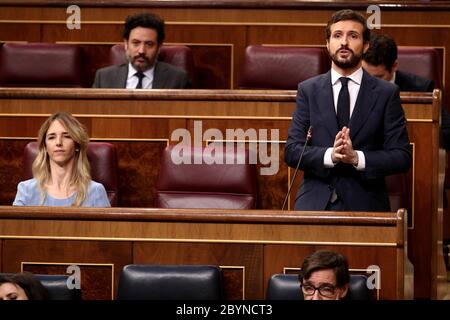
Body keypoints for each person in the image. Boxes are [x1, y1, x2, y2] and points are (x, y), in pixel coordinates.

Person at [285, 9, 411, 211]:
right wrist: (330, 155)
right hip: (315, 202)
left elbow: (401, 157)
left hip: (366, 201)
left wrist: (356, 158)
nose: (344, 42)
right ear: (327, 44)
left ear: (366, 45)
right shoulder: (308, 90)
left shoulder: (386, 93)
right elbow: (292, 151)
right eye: (337, 35)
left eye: (353, 36)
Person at [362, 33, 450, 150]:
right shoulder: (352, 85)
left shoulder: (421, 89)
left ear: (394, 66)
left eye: (378, 77)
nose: (370, 83)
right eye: (365, 75)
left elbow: (447, 133)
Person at [13, 111, 111, 207]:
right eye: (52, 137)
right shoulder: (26, 190)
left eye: (66, 136)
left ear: (77, 145)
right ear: (45, 147)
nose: (58, 142)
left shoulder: (96, 191)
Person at [93, 12, 191, 89]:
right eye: (136, 43)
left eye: (149, 44)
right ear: (126, 44)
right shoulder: (104, 77)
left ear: (159, 47)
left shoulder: (178, 79)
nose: (141, 51)